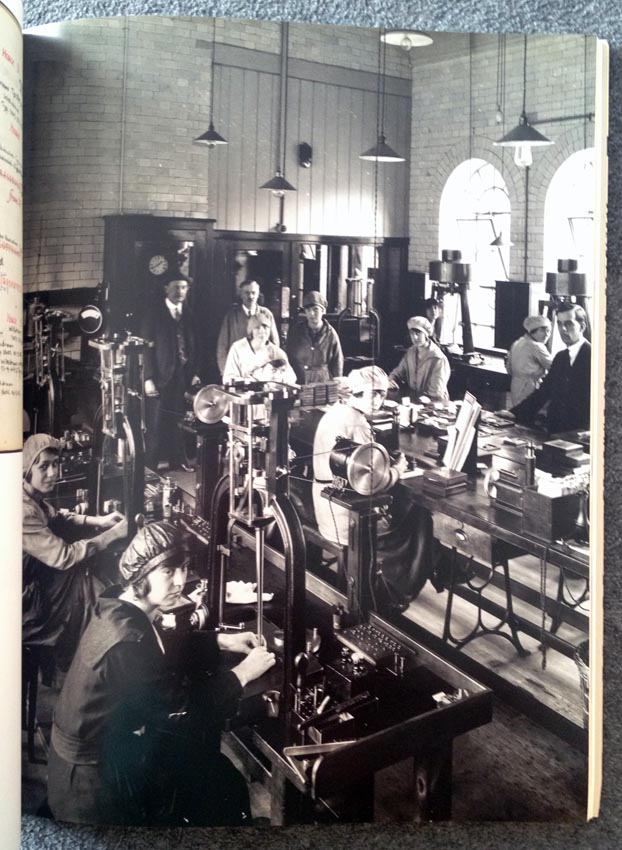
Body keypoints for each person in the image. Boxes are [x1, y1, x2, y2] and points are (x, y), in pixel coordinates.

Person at [47, 520, 276, 827]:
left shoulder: (119, 604)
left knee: (210, 775)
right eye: (168, 571)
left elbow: (160, 647)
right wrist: (242, 674)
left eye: (183, 568)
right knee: (216, 784)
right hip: (92, 785)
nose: (181, 581)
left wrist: (220, 640)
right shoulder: (126, 640)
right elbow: (183, 707)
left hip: (104, 752)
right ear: (142, 574)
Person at [22, 434, 128, 669]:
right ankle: (88, 659)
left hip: (35, 582)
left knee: (85, 578)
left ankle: (89, 651)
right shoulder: (24, 511)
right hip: (25, 605)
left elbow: (58, 516)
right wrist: (112, 535)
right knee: (84, 582)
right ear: (27, 470)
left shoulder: (32, 496)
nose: (53, 473)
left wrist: (98, 521)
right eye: (44, 467)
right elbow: (65, 556)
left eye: (55, 464)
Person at [312, 366, 394, 546]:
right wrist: (397, 470)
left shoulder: (336, 411)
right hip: (345, 520)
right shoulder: (358, 423)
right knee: (415, 521)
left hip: (325, 508)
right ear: (357, 392)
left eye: (383, 394)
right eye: (374, 393)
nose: (379, 400)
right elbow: (373, 480)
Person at [142, 274, 201, 472]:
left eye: (184, 287)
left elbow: (197, 347)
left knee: (180, 422)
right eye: (176, 287)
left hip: (183, 377)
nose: (180, 292)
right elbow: (146, 348)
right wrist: (148, 378)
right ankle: (150, 466)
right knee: (156, 423)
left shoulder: (191, 314)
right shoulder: (153, 313)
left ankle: (179, 461)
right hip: (160, 378)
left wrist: (194, 373)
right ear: (166, 288)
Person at [503, 304, 591, 434]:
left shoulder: (594, 357)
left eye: (569, 324)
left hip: (580, 434)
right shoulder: (561, 357)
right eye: (560, 324)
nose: (563, 330)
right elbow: (543, 392)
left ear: (582, 327)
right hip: (554, 431)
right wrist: (513, 413)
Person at [216, 279, 279, 377]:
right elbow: (222, 347)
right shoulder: (231, 316)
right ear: (241, 294)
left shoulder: (266, 314)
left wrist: (270, 372)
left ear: (258, 294)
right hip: (238, 370)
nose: (251, 297)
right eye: (247, 293)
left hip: (261, 372)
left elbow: (274, 345)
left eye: (253, 293)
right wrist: (226, 372)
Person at [286, 290, 344, 384]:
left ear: (323, 310)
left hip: (322, 383)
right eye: (308, 310)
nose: (311, 314)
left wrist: (335, 385)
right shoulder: (296, 332)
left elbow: (337, 362)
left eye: (315, 309)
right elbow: (287, 357)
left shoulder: (331, 334)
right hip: (299, 381)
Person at [388, 316, 451, 401]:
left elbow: (436, 393)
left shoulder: (438, 359)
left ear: (426, 334)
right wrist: (391, 380)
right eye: (412, 334)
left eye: (418, 333)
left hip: (435, 405)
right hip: (415, 401)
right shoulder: (410, 352)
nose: (415, 338)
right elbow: (398, 372)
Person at [222, 313, 297, 384]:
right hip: (243, 393)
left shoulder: (277, 353)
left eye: (265, 327)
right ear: (251, 331)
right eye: (257, 328)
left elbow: (291, 378)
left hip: (270, 394)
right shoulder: (237, 348)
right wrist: (254, 382)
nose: (262, 331)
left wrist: (278, 378)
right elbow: (228, 378)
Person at [505, 315, 553, 406]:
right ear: (533, 331)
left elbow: (509, 368)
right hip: (529, 388)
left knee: (518, 414)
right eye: (542, 330)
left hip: (516, 385)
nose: (547, 334)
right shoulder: (536, 346)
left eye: (548, 331)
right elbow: (554, 367)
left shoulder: (518, 342)